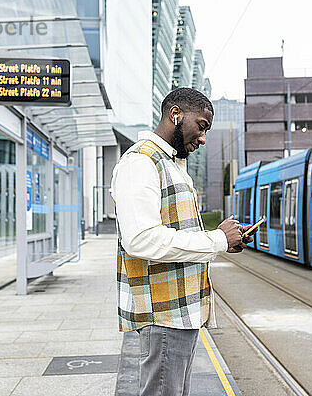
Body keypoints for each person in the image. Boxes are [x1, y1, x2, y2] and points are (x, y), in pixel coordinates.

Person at [110, 87, 256, 396]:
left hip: (180, 312)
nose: (203, 138)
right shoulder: (140, 162)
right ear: (176, 115)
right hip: (164, 314)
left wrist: (225, 241)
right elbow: (141, 239)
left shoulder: (171, 163)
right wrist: (216, 239)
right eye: (201, 126)